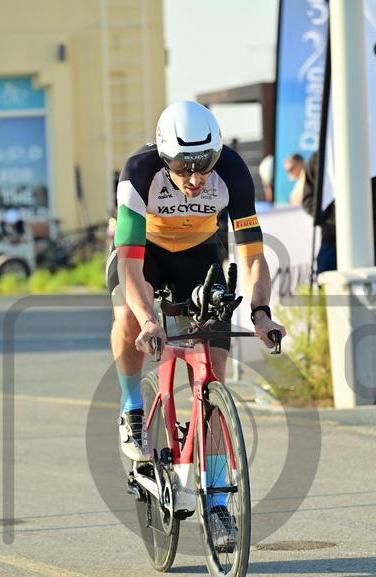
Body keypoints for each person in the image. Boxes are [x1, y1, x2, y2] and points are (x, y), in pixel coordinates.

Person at [106, 99, 286, 466]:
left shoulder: (233, 171)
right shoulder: (139, 172)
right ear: (164, 158)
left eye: (205, 166)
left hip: (198, 253)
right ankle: (132, 406)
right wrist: (148, 319)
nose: (194, 179)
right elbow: (129, 266)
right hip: (145, 253)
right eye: (182, 169)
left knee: (213, 369)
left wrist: (261, 313)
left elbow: (252, 255)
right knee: (128, 313)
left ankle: (215, 484)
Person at [302, 151, 376, 273]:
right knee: (328, 283)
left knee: (374, 282)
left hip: (368, 244)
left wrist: (356, 217)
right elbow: (308, 200)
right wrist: (334, 218)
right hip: (331, 241)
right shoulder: (318, 159)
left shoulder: (369, 156)